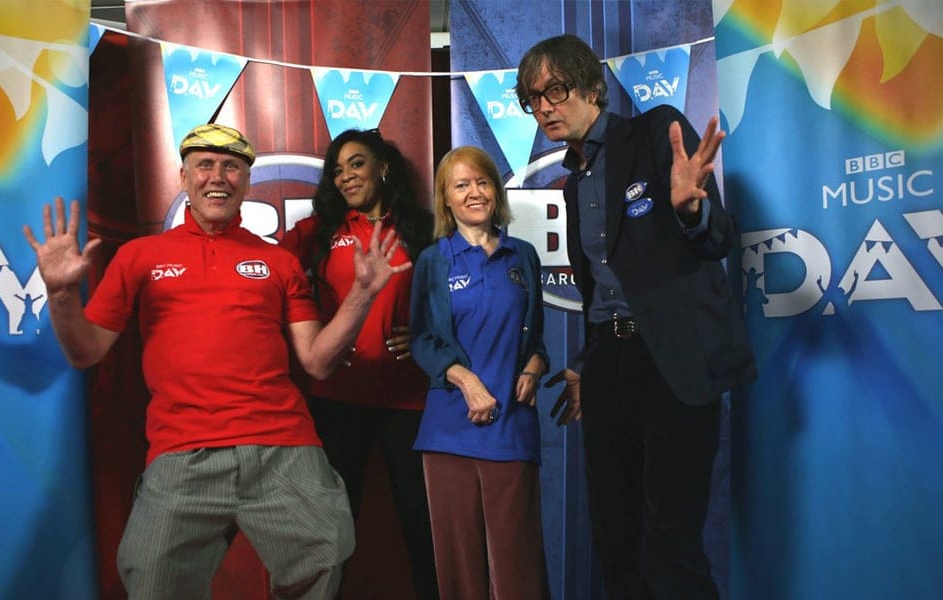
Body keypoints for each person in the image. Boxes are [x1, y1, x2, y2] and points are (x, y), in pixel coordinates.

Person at [23, 123, 413, 600]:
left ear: (246, 182)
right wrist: (62, 295)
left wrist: (362, 295)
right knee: (152, 580)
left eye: (231, 167)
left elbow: (315, 360)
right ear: (183, 177)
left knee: (325, 553)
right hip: (184, 449)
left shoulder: (279, 261)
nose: (218, 177)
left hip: (282, 445)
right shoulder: (140, 256)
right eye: (204, 165)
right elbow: (86, 351)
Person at [515, 35, 758, 599]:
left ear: (592, 87)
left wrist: (692, 212)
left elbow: (719, 241)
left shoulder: (655, 133)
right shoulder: (572, 184)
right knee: (616, 543)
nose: (544, 107)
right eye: (533, 99)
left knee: (670, 549)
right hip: (610, 367)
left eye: (556, 89)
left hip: (672, 362)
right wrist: (589, 360)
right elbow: (606, 288)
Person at [279, 128, 439, 599]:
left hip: (407, 400)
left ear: (382, 167)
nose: (346, 176)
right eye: (337, 169)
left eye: (356, 163)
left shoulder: (420, 229)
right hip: (338, 397)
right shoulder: (320, 230)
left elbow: (456, 298)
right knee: (331, 523)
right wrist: (322, 337)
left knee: (420, 522)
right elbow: (270, 280)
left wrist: (424, 335)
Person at [409, 146, 550, 600]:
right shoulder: (434, 260)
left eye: (482, 182)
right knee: (459, 568)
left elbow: (536, 341)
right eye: (461, 185)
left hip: (511, 427)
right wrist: (467, 381)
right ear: (446, 199)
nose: (474, 192)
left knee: (517, 566)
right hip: (448, 430)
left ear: (496, 190)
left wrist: (535, 366)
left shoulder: (523, 256)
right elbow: (421, 339)